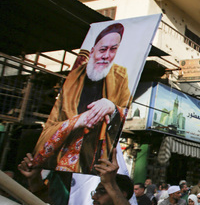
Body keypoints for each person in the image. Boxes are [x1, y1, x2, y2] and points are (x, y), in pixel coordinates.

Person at [32, 23, 130, 173]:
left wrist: (112, 107)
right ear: (92, 51)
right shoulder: (72, 79)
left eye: (113, 49)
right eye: (103, 49)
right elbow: (50, 127)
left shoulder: (120, 76)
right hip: (60, 163)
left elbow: (126, 111)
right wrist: (76, 122)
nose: (106, 55)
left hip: (95, 163)